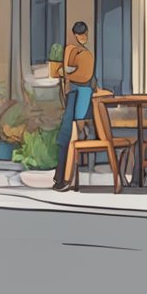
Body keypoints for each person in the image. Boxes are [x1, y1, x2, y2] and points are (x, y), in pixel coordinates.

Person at [52, 22, 96, 191]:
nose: (83, 37)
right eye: (81, 34)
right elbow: (84, 75)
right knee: (70, 136)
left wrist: (67, 74)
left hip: (77, 95)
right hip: (78, 96)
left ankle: (63, 177)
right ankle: (63, 177)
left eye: (84, 34)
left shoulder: (76, 52)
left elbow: (75, 74)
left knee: (70, 136)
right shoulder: (80, 53)